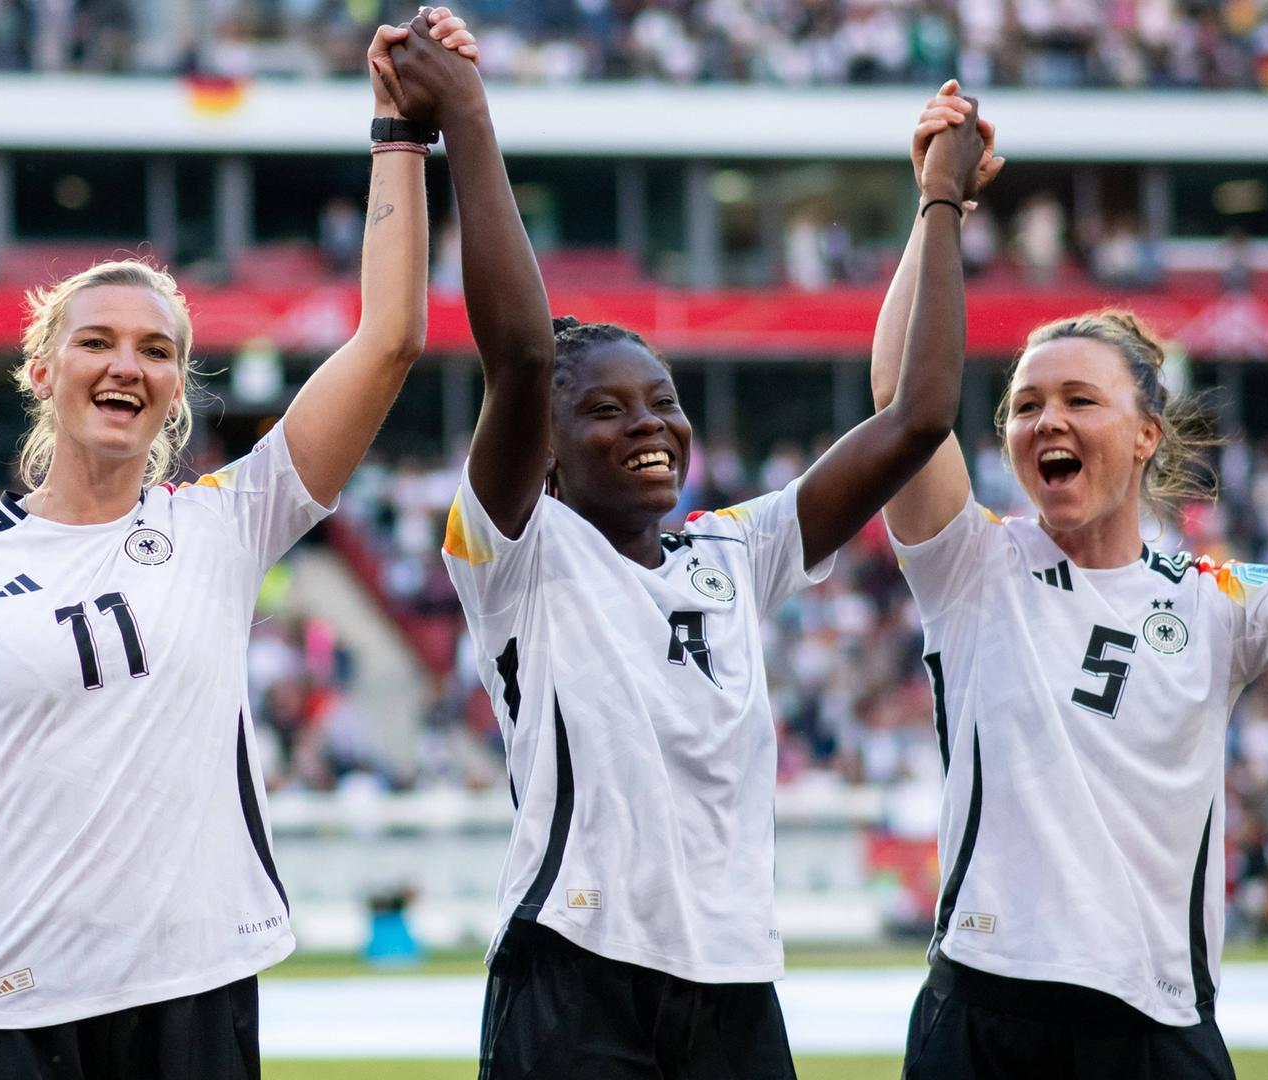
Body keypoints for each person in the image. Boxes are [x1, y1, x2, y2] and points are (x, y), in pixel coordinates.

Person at [0, 12, 477, 1080]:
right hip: (9, 1015)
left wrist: (399, 132)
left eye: (157, 350)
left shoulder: (227, 522)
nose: (129, 364)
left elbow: (391, 339)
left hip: (197, 1005)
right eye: (98, 341)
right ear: (44, 371)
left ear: (176, 388)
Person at [386, 22, 994, 1074]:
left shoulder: (734, 551)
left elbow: (919, 418)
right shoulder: (516, 552)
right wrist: (469, 118)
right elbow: (522, 357)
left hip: (736, 983)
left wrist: (940, 201)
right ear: (544, 451)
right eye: (606, 410)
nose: (651, 426)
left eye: (663, 402)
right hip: (571, 974)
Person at [871, 92, 1268, 1074]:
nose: (1047, 421)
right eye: (1025, 406)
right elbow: (902, 404)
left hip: (1156, 1023)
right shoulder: (973, 564)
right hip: (981, 1011)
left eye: (1079, 399)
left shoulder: (1216, 599)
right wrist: (938, 209)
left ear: (1147, 435)